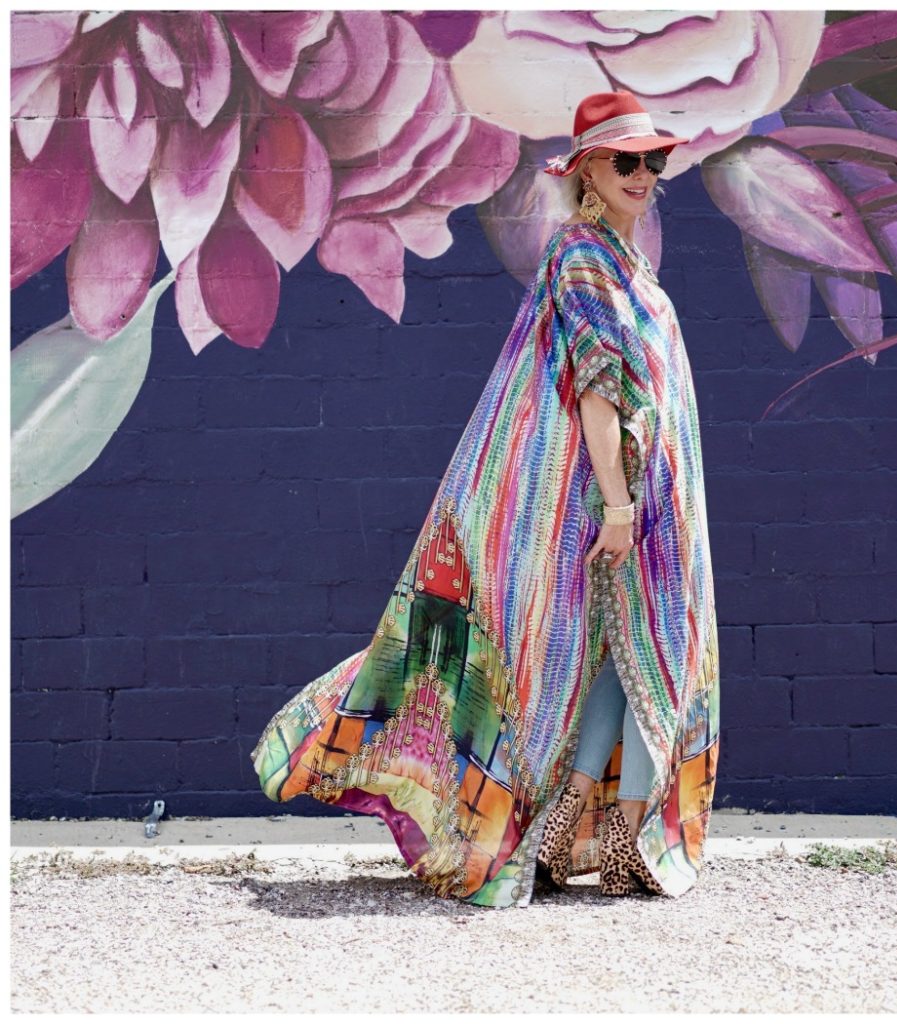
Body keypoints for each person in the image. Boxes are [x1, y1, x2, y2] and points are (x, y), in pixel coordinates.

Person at [250, 89, 720, 909]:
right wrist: (616, 507)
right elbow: (596, 392)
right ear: (586, 172)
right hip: (616, 505)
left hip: (651, 504)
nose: (645, 174)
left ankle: (573, 835)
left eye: (656, 160)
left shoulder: (624, 257)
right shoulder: (583, 257)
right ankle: (619, 844)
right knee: (649, 654)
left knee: (619, 657)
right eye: (626, 161)